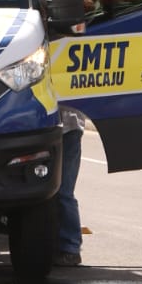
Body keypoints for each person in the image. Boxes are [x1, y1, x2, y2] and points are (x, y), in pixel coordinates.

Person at [55, 107, 86, 266]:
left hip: (67, 129)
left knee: (63, 192)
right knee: (58, 193)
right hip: (62, 127)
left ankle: (71, 248)